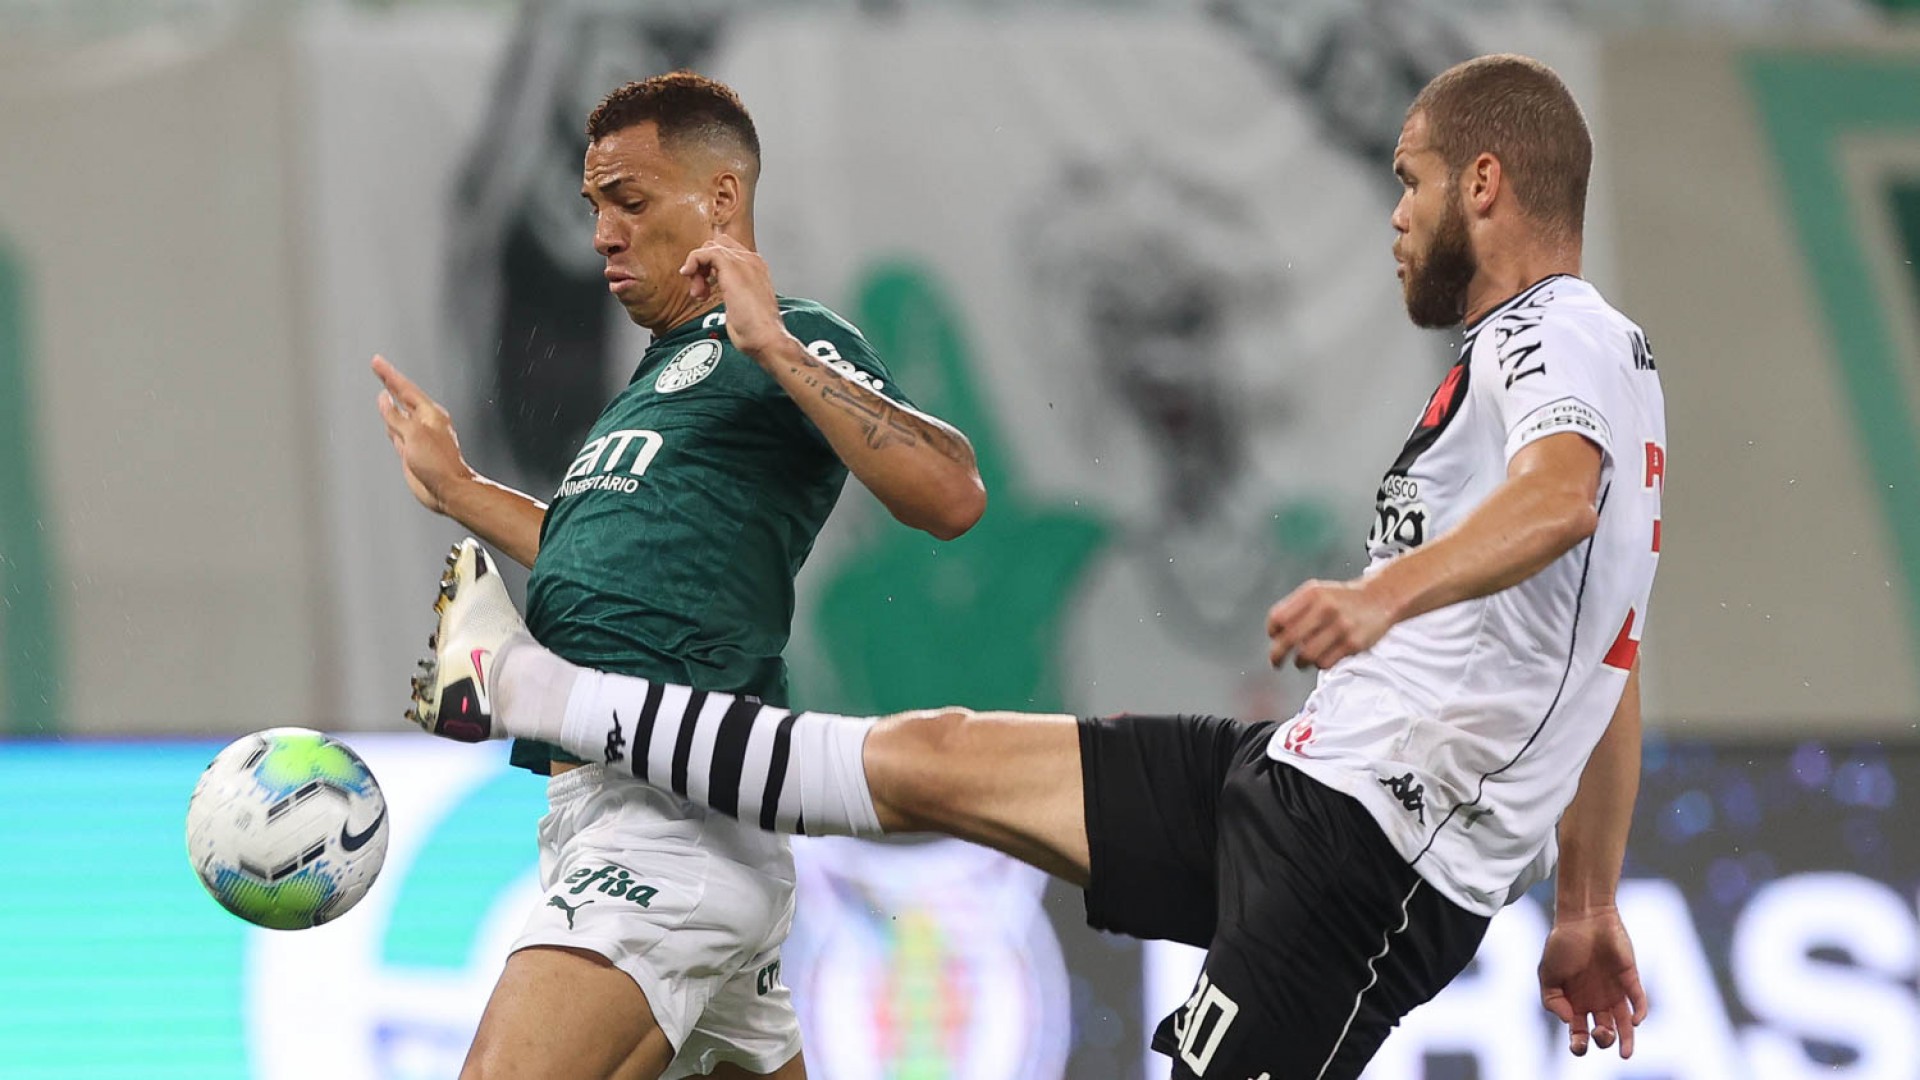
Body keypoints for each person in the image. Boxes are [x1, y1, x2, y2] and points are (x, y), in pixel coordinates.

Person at [411, 53, 1660, 1079]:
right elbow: (1607, 654)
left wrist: (1380, 593)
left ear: (1484, 183)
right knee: (938, 757)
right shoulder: (1543, 359)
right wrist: (1587, 904)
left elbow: (1559, 498)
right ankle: (533, 690)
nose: (1396, 213)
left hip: (1368, 863)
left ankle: (527, 689)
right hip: (1292, 781)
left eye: (1413, 181)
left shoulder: (1561, 332)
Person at [375, 72, 985, 1080]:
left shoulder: (789, 338)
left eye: (629, 201)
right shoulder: (653, 384)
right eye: (594, 207)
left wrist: (774, 343)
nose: (602, 235)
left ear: (721, 199)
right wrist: (460, 490)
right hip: (612, 816)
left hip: (669, 818)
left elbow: (952, 493)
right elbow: (603, 560)